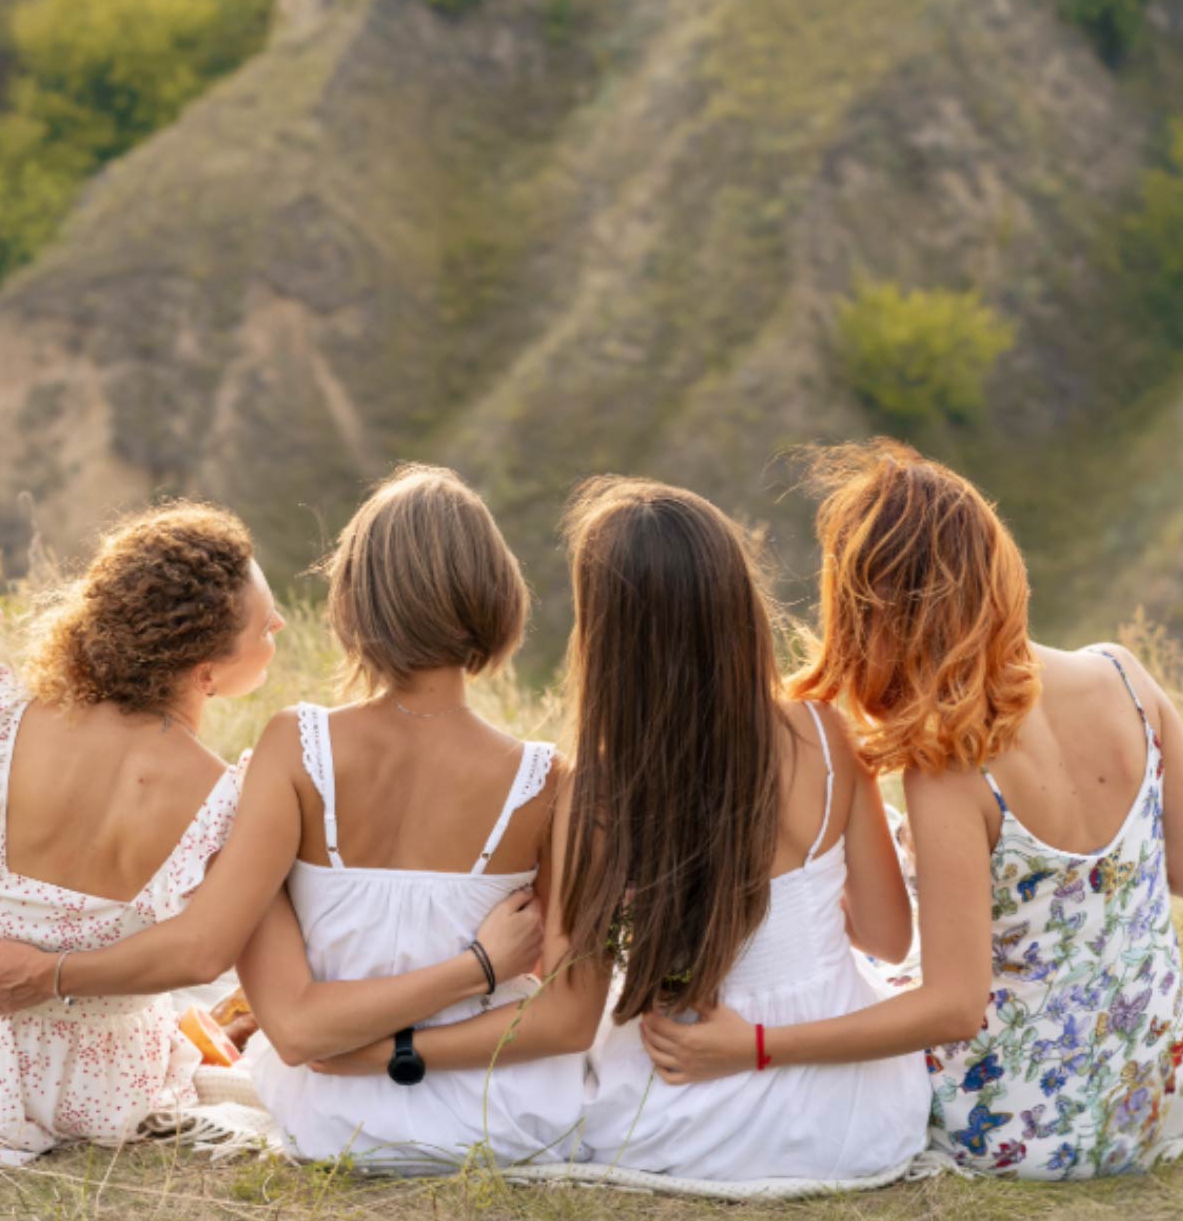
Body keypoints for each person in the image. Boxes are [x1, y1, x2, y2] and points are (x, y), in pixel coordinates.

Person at [310, 478, 926, 1185]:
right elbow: (889, 938)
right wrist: (803, 898)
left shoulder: (595, 792)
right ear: (740, 603)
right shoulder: (827, 734)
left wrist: (394, 1046)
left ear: (605, 637)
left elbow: (561, 995)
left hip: (681, 1122)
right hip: (853, 1116)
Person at [641, 442, 1183, 1180]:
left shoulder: (950, 766)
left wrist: (752, 1045)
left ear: (871, 610)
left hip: (1022, 1129)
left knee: (852, 983)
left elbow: (953, 1009)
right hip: (1160, 1093)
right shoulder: (1124, 675)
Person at [0, 502, 285, 1198]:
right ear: (207, 673)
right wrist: (57, 975)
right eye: (266, 624)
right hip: (98, 1080)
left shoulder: (6, 715)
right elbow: (199, 955)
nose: (278, 627)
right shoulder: (224, 798)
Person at [234, 465, 579, 1173]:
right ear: (497, 594)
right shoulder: (548, 779)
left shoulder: (295, 747)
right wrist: (478, 968)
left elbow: (297, 1032)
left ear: (355, 599)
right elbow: (569, 1016)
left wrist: (377, 1051)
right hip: (503, 1115)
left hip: (327, 1115)